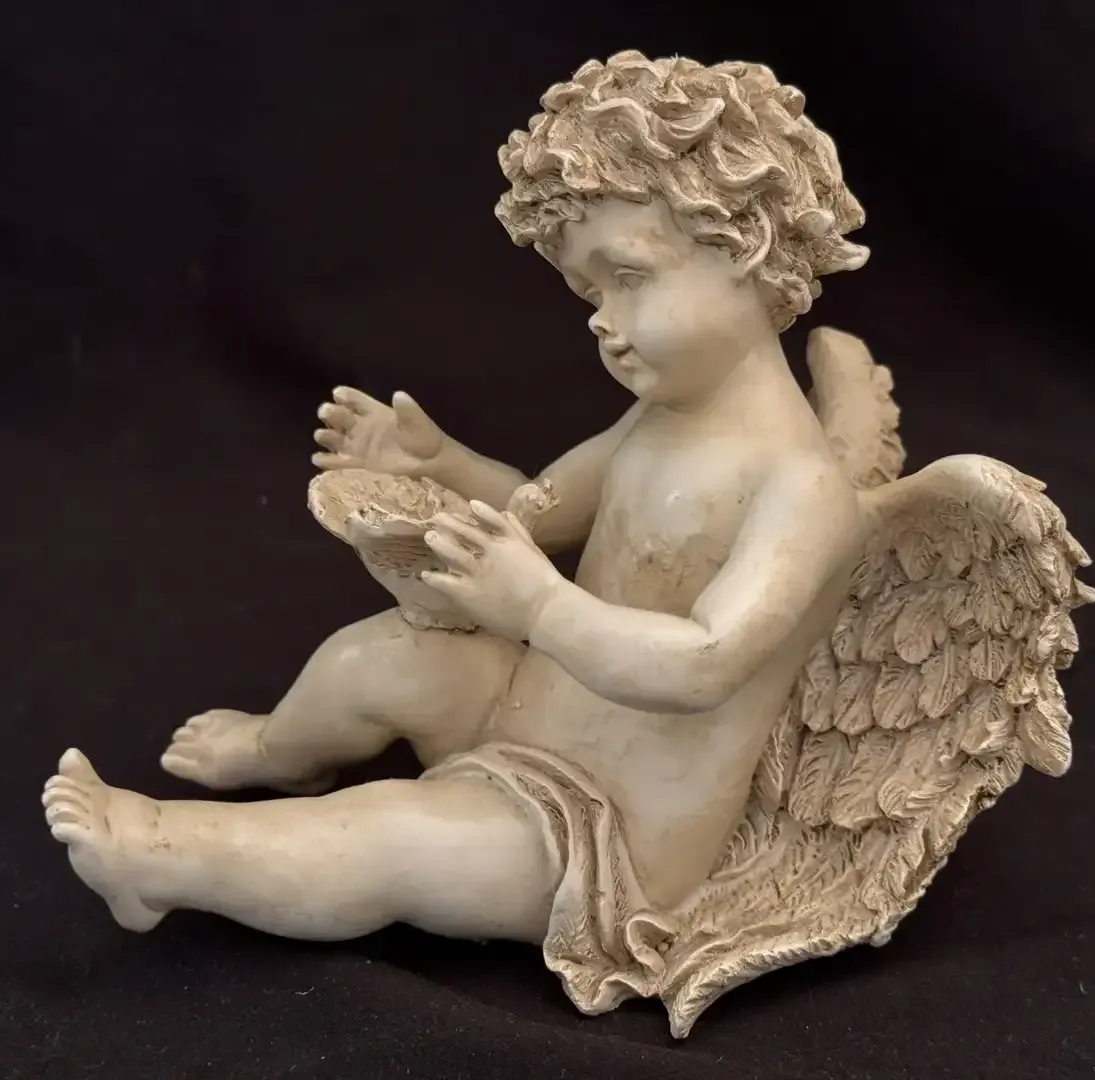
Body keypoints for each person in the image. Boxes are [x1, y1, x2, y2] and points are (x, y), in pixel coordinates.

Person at [43, 51, 869, 1013]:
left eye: (628, 278)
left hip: (608, 835)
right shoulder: (656, 421)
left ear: (748, 248)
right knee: (377, 658)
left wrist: (538, 607)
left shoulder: (801, 489)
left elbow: (703, 664)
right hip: (527, 713)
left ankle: (156, 858)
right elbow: (535, 509)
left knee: (394, 838)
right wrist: (438, 465)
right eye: (589, 294)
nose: (601, 322)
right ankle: (280, 751)